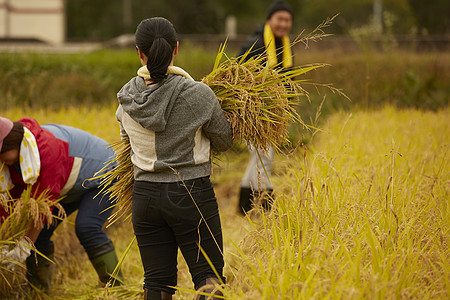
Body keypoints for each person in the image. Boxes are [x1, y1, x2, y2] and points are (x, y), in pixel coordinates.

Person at [116, 17, 233, 300]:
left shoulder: (126, 98)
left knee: (156, 283)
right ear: (176, 49)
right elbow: (225, 141)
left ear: (139, 52)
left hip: (144, 198)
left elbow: (125, 142)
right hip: (190, 193)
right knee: (209, 276)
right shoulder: (199, 94)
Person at [0, 116, 122, 291]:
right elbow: (9, 202)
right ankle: (39, 292)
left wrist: (24, 247)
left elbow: (42, 206)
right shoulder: (13, 162)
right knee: (40, 235)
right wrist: (4, 240)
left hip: (104, 174)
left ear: (12, 144)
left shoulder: (47, 149)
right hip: (69, 186)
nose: (1, 160)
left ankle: (116, 288)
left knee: (87, 226)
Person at [237, 0, 294, 214]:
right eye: (280, 19)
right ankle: (267, 208)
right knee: (264, 159)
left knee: (260, 157)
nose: (284, 24)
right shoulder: (257, 43)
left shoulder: (284, 45)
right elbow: (236, 72)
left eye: (288, 20)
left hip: (272, 114)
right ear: (269, 20)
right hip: (254, 113)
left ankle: (244, 207)